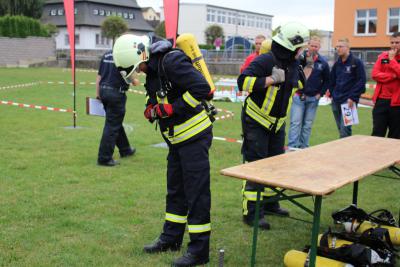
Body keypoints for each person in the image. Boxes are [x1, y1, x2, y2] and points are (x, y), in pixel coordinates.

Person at [113, 34, 213, 267]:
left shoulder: (171, 61)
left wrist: (171, 108)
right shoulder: (154, 68)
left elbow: (202, 88)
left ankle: (199, 251)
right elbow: (159, 94)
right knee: (175, 190)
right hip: (176, 140)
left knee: (196, 194)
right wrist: (152, 108)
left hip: (194, 137)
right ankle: (171, 239)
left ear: (143, 54)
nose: (139, 72)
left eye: (138, 67)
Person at [237, 22, 309, 230]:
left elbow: (300, 85)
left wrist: (303, 69)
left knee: (275, 165)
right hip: (256, 120)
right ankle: (251, 212)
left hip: (277, 124)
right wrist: (270, 79)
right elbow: (242, 82)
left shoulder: (294, 64)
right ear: (292, 46)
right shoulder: (265, 60)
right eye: (301, 47)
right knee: (255, 165)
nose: (302, 51)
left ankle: (270, 204)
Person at [287, 36, 330, 149]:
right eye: (311, 45)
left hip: (313, 98)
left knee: (307, 125)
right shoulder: (299, 59)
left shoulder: (323, 62)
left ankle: (304, 147)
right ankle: (292, 147)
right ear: (308, 45)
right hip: (298, 96)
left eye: (316, 46)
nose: (313, 48)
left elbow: (327, 80)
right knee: (295, 123)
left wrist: (320, 94)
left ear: (319, 47)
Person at [96, 50, 135, 166]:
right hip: (116, 93)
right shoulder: (124, 55)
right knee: (112, 125)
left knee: (114, 121)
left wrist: (98, 93)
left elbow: (99, 76)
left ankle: (125, 149)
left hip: (103, 91)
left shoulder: (106, 54)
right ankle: (104, 158)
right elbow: (133, 80)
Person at [329, 38, 366, 138]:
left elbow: (361, 81)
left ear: (348, 47)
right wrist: (332, 94)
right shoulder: (337, 63)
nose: (338, 49)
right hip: (336, 100)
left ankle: (345, 152)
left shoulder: (356, 62)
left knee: (345, 130)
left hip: (349, 101)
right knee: (340, 129)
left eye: (341, 46)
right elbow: (331, 80)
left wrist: (353, 97)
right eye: (337, 47)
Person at [371, 32, 400, 139]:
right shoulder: (383, 56)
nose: (394, 45)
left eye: (397, 42)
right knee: (377, 134)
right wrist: (393, 76)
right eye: (392, 42)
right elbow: (375, 74)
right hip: (381, 101)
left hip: (397, 104)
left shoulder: (390, 58)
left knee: (395, 137)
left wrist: (392, 61)